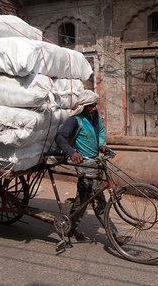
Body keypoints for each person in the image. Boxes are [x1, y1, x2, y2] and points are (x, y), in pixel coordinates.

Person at [55, 90, 130, 246]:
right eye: (91, 106)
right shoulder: (75, 120)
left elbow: (100, 131)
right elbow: (60, 137)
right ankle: (114, 235)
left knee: (83, 198)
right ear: (83, 106)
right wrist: (72, 152)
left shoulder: (94, 117)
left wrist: (101, 144)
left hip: (95, 162)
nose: (94, 108)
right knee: (97, 198)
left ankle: (69, 227)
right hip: (83, 164)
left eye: (95, 105)